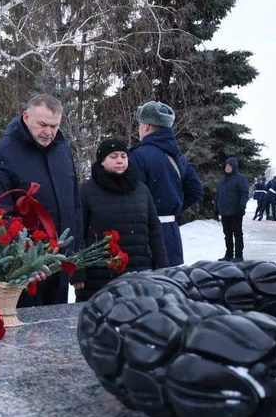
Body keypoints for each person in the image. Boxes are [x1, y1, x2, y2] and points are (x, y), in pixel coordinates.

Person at [0, 94, 84, 307]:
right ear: (26, 117)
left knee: (56, 331)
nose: (49, 132)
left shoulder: (63, 151)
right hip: (23, 270)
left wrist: (76, 258)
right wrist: (27, 258)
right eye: (43, 124)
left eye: (55, 126)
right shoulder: (3, 154)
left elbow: (73, 206)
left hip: (59, 262)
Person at [77, 138, 167, 302]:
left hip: (140, 273)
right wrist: (78, 272)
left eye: (123, 156)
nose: (119, 160)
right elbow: (78, 232)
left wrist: (161, 266)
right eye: (113, 156)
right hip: (99, 278)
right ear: (102, 161)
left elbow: (154, 229)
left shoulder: (141, 189)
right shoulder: (86, 191)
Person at [129, 100, 204, 266]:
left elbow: (133, 197)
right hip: (171, 234)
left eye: (140, 124)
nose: (139, 129)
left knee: (146, 288)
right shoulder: (178, 157)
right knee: (168, 287)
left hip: (146, 235)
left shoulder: (139, 156)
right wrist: (172, 207)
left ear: (147, 126)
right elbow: (196, 191)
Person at [214, 157, 250, 262]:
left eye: (230, 166)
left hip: (236, 211)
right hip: (225, 211)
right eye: (226, 165)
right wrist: (216, 209)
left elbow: (244, 194)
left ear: (234, 167)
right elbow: (218, 196)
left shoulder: (240, 178)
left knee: (237, 234)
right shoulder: (222, 181)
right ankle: (229, 254)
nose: (227, 167)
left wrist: (242, 206)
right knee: (227, 234)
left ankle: (239, 255)